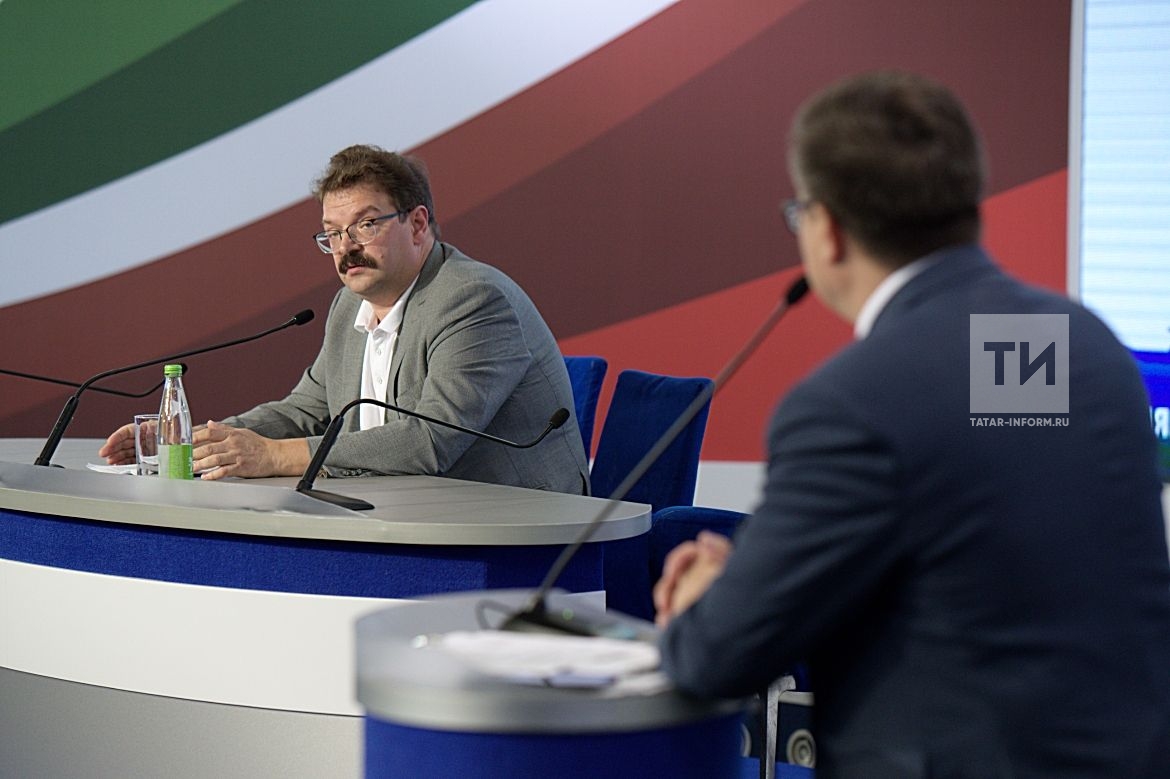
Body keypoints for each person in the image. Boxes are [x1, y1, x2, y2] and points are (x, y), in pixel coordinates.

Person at [654, 71, 1170, 777]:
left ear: (827, 230)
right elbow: (988, 536)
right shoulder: (1086, 345)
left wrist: (712, 596)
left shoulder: (850, 403)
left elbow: (717, 658)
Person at [101, 145, 589, 495]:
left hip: (517, 532)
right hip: (402, 514)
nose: (346, 247)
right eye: (333, 234)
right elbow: (305, 411)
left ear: (418, 224)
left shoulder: (471, 299)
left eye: (365, 225)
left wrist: (274, 455)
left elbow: (431, 441)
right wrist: (194, 442)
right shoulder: (347, 307)